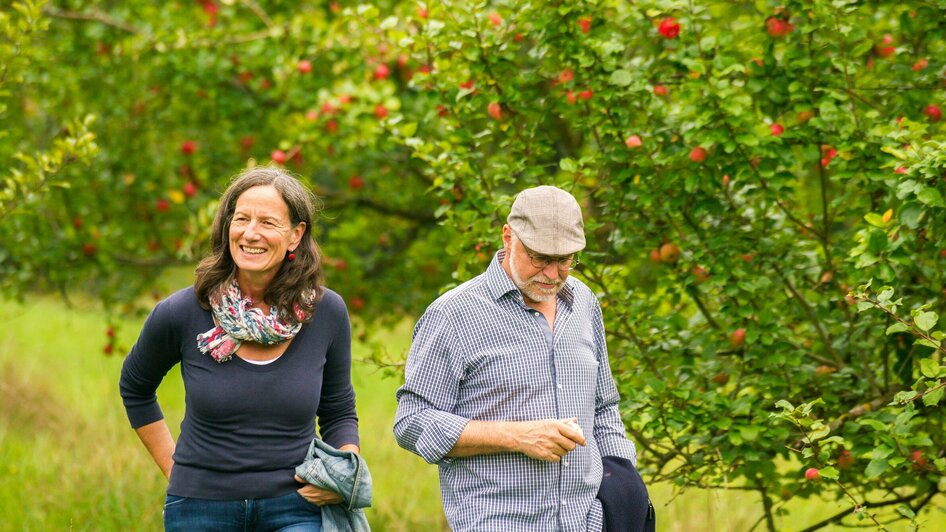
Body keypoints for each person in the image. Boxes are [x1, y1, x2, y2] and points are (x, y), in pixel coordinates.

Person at [394, 185, 648, 531]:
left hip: (587, 522)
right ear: (508, 237)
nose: (553, 274)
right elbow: (412, 422)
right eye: (540, 258)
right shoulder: (454, 315)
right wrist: (516, 436)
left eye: (565, 260)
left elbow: (604, 408)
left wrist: (626, 489)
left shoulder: (585, 303)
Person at [120, 166, 361, 531]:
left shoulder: (326, 313)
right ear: (227, 226)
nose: (251, 233)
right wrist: (176, 469)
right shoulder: (183, 312)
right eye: (242, 218)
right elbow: (135, 387)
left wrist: (343, 475)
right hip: (200, 508)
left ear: (296, 235)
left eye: (267, 222)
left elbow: (339, 410)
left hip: (296, 509)